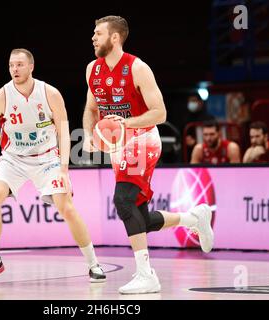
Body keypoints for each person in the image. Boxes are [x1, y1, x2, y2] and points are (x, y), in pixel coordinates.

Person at [82, 16, 213, 294]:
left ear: (115, 37)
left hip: (143, 139)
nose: (93, 38)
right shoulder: (92, 69)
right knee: (139, 215)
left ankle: (146, 274)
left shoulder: (137, 68)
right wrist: (90, 135)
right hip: (117, 146)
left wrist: (124, 123)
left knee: (122, 200)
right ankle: (194, 218)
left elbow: (160, 113)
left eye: (98, 33)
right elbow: (91, 108)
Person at [0, 48, 106, 282]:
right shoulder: (1, 96)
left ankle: (93, 263)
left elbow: (63, 130)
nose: (14, 69)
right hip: (14, 159)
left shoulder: (49, 93)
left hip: (47, 157)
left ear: (31, 66)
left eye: (19, 64)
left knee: (66, 207)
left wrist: (64, 169)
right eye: (11, 65)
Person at [182, 94, 216, 161]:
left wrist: (196, 142)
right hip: (189, 152)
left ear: (200, 103)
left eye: (194, 101)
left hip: (207, 150)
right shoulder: (185, 119)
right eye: (190, 101)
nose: (191, 103)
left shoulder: (209, 118)